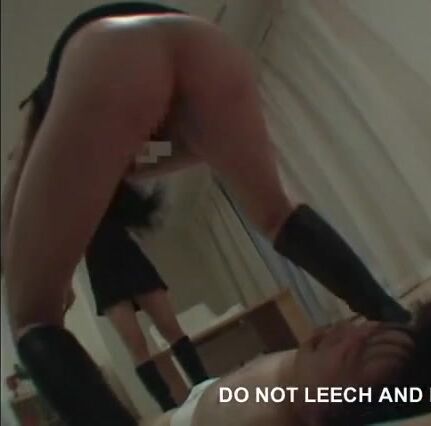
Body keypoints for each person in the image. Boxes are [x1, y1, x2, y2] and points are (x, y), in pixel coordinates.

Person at [2, 3, 409, 423]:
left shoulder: (54, 120)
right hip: (207, 50)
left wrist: (27, 269)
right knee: (277, 216)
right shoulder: (114, 149)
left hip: (111, 56)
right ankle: (398, 321)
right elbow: (155, 152)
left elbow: (18, 170)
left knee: (32, 318)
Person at [144, 256, 431, 426]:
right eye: (371, 331)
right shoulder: (313, 385)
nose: (351, 330)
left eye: (358, 353)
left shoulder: (263, 416)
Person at [84, 181, 208, 411]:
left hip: (128, 255)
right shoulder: (63, 196)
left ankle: (204, 384)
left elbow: (133, 198)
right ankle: (167, 406)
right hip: (100, 268)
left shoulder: (103, 177)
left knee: (169, 326)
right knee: (135, 343)